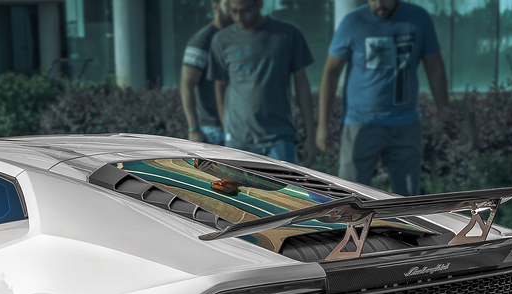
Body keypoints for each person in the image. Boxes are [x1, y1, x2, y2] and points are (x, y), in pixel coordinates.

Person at [317, 0, 464, 195]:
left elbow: (434, 67)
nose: (379, 4)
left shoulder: (418, 19)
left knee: (407, 201)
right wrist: (322, 125)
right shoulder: (353, 22)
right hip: (360, 124)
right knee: (348, 197)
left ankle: (402, 227)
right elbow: (331, 72)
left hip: (405, 124)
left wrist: (444, 110)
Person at [209, 0, 316, 165]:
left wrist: (310, 137)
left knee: (281, 191)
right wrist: (227, 131)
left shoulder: (287, 34)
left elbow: (302, 85)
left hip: (279, 139)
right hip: (239, 143)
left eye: (245, 11)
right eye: (234, 11)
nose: (239, 17)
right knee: (237, 191)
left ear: (259, 4)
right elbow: (219, 88)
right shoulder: (222, 40)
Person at [180, 1, 232, 145]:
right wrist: (193, 128)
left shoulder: (239, 37)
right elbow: (186, 84)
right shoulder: (203, 40)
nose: (234, 7)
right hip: (213, 130)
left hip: (240, 128)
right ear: (215, 6)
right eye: (228, 3)